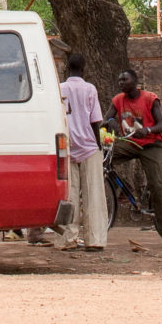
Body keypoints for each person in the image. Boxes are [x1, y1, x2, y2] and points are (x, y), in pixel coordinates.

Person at [109, 68, 162, 249]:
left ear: (135, 82)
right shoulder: (118, 100)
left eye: (124, 80)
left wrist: (147, 130)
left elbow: (161, 125)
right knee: (104, 157)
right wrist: (111, 123)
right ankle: (124, 190)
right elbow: (106, 119)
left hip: (152, 144)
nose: (121, 83)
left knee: (157, 185)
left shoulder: (150, 98)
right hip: (130, 143)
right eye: (119, 80)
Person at [57, 52, 107, 251]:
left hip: (68, 146)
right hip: (88, 145)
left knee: (69, 195)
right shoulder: (90, 89)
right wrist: (98, 144)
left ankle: (69, 238)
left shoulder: (60, 88)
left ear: (67, 68)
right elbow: (95, 121)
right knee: (93, 195)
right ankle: (95, 240)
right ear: (83, 69)